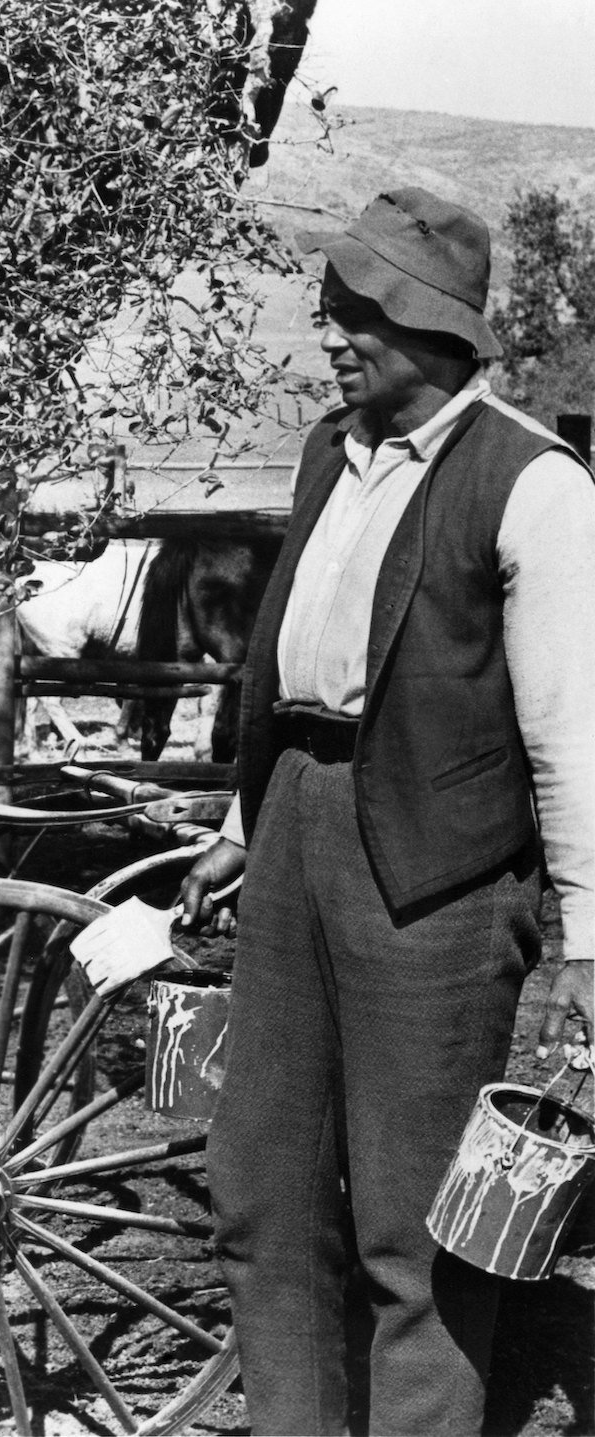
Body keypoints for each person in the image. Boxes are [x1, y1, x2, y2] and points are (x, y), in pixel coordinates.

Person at [178, 187, 595, 1435]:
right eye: (330, 307)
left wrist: (585, 938)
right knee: (259, 1195)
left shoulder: (533, 485)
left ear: (431, 326)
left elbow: (571, 732)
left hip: (435, 877)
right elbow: (288, 672)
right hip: (295, 828)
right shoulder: (330, 452)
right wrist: (241, 830)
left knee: (411, 1231)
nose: (330, 334)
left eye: (355, 312)